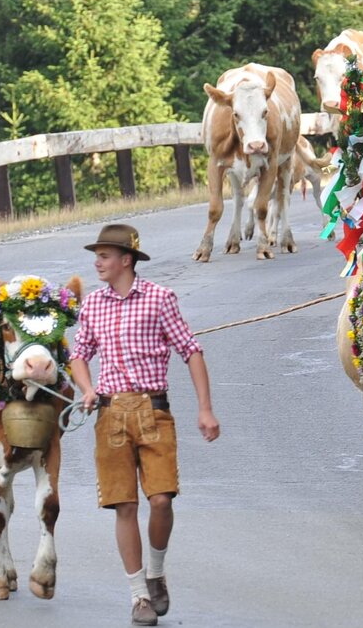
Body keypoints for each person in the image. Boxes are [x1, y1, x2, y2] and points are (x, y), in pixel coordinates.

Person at [70, 223, 221, 626]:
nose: (98, 263)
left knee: (161, 500)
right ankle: (139, 596)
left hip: (153, 411)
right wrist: (86, 388)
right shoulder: (93, 305)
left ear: (127, 260)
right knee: (124, 506)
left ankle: (156, 570)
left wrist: (205, 409)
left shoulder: (160, 299)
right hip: (110, 414)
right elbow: (79, 354)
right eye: (97, 256)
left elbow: (191, 350)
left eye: (104, 256)